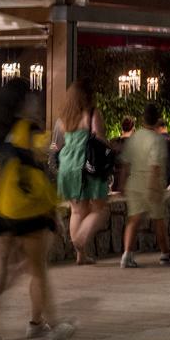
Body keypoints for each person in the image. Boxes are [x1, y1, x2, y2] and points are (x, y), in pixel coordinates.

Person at [0, 81, 73, 340]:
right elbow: (45, 161)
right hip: (28, 210)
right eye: (32, 99)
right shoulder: (28, 130)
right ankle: (53, 326)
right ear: (22, 103)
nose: (36, 103)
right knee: (38, 269)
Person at [53, 79, 109, 265]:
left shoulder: (63, 119)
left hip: (67, 165)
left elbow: (55, 145)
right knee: (101, 210)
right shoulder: (91, 114)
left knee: (77, 211)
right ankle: (80, 239)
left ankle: (81, 255)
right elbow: (100, 139)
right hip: (87, 165)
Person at [119, 103, 170, 269]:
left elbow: (125, 163)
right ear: (157, 119)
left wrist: (122, 183)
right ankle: (165, 253)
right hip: (151, 184)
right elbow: (155, 165)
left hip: (134, 183)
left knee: (133, 220)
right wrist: (153, 188)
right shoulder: (157, 140)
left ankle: (127, 255)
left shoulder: (135, 137)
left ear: (142, 119)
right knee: (158, 220)